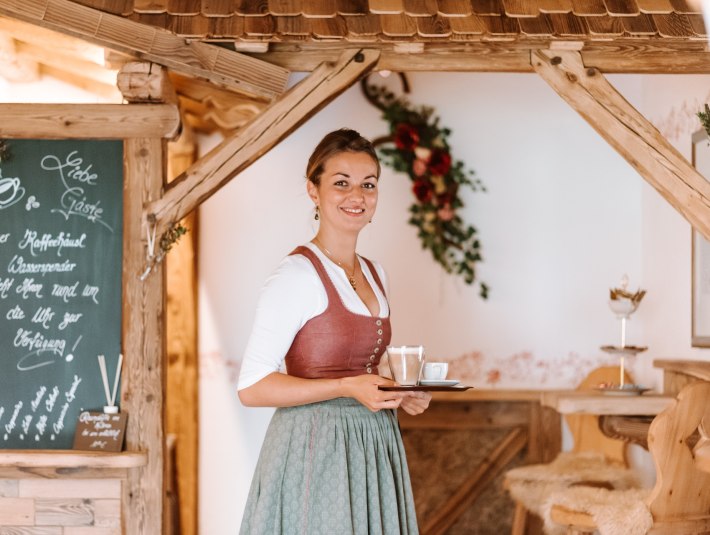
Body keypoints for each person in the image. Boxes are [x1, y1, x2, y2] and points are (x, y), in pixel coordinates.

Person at [237, 128, 431, 534]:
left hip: (373, 442)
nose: (356, 196)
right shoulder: (296, 274)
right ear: (314, 190)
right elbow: (252, 387)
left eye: (368, 185)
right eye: (341, 183)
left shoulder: (377, 273)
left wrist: (401, 390)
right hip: (313, 447)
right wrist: (346, 387)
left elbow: (366, 367)